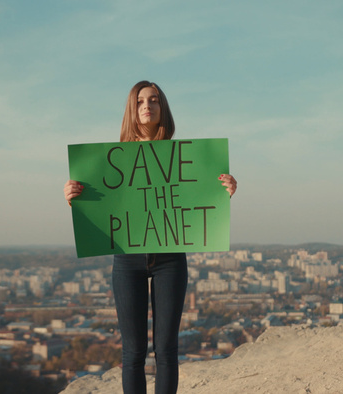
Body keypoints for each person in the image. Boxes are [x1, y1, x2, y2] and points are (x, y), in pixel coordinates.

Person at [63, 80, 237, 394]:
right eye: (140, 101)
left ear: (162, 108)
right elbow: (100, 204)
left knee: (166, 349)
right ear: (132, 110)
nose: (147, 105)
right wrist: (73, 195)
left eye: (154, 100)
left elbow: (200, 200)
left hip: (170, 259)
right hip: (127, 260)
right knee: (133, 353)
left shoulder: (186, 159)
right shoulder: (108, 162)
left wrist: (224, 190)